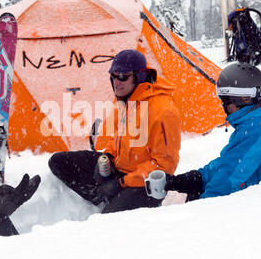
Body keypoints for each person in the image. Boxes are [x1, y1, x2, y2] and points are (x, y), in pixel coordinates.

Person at [49, 49, 181, 213]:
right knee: (59, 162)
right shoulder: (125, 100)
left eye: (123, 76)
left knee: (109, 222)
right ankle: (102, 198)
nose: (116, 82)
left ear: (139, 77)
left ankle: (112, 204)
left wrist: (122, 183)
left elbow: (163, 167)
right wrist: (108, 157)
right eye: (113, 76)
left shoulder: (163, 111)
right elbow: (117, 139)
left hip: (145, 185)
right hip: (119, 172)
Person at [157, 62, 261, 203]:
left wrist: (196, 206)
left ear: (238, 100)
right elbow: (227, 164)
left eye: (225, 101)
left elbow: (227, 179)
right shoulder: (257, 123)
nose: (223, 107)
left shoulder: (257, 128)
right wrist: (190, 179)